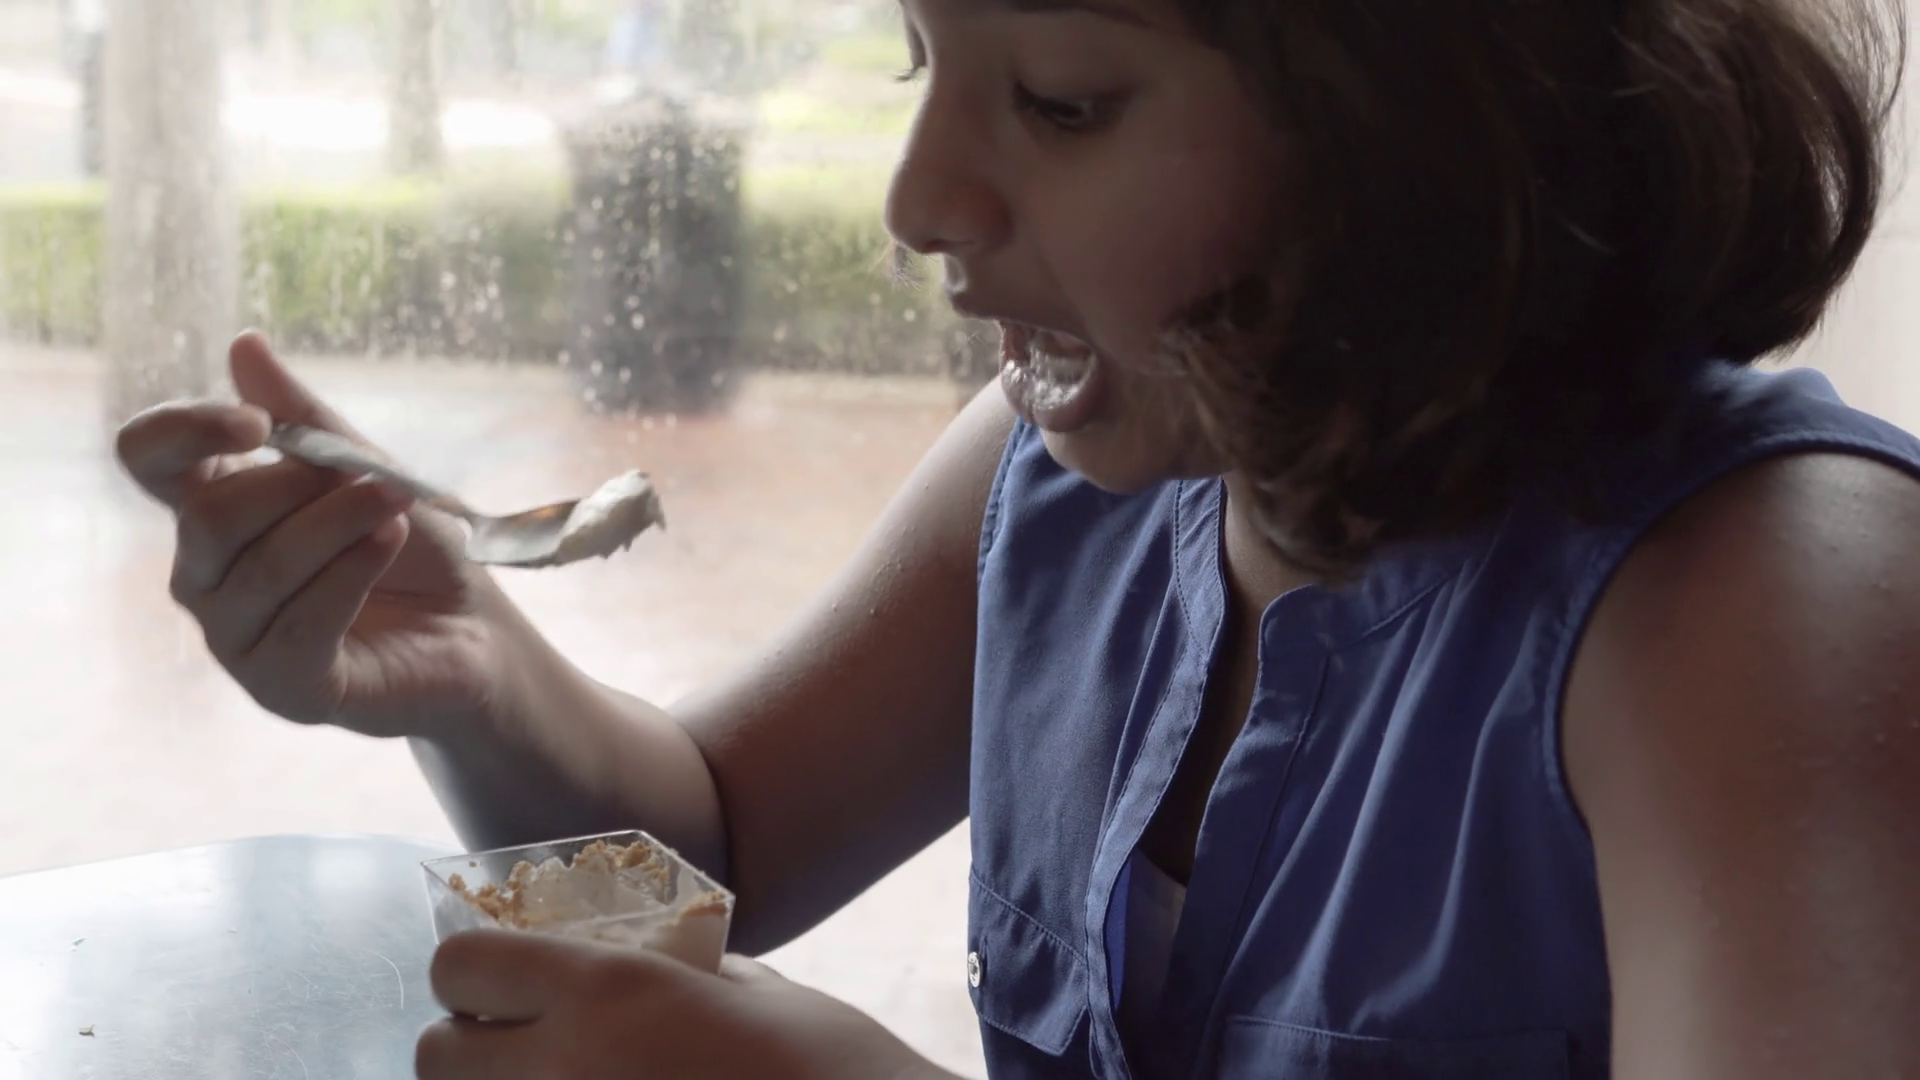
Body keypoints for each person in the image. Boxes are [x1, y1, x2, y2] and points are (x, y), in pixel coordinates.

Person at [114, 0, 1918, 1075]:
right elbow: (711, 842)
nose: (917, 200)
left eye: (1059, 96)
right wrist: (471, 670)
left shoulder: (1761, 609)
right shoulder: (1068, 473)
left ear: (1432, 117)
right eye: (920, 51)